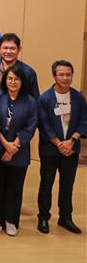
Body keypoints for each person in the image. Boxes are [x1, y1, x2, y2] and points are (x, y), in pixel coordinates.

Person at [36, 60, 86, 235]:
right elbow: (44, 124)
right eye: (61, 74)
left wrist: (72, 140)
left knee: (67, 184)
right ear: (54, 76)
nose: (65, 78)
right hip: (50, 149)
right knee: (46, 183)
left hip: (71, 148)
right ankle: (43, 217)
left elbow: (84, 120)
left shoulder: (78, 97)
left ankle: (65, 217)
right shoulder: (44, 98)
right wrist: (58, 143)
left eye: (68, 74)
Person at [0, 66, 38, 235]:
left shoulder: (30, 101)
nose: (13, 82)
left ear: (22, 82)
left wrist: (14, 146)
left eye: (17, 79)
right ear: (5, 80)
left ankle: (11, 221)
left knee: (15, 188)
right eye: (10, 78)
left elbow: (31, 126)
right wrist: (5, 144)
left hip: (19, 152)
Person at [0, 33, 40, 98]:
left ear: (19, 49)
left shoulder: (28, 72)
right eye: (5, 48)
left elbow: (34, 99)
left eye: (12, 48)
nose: (8, 52)